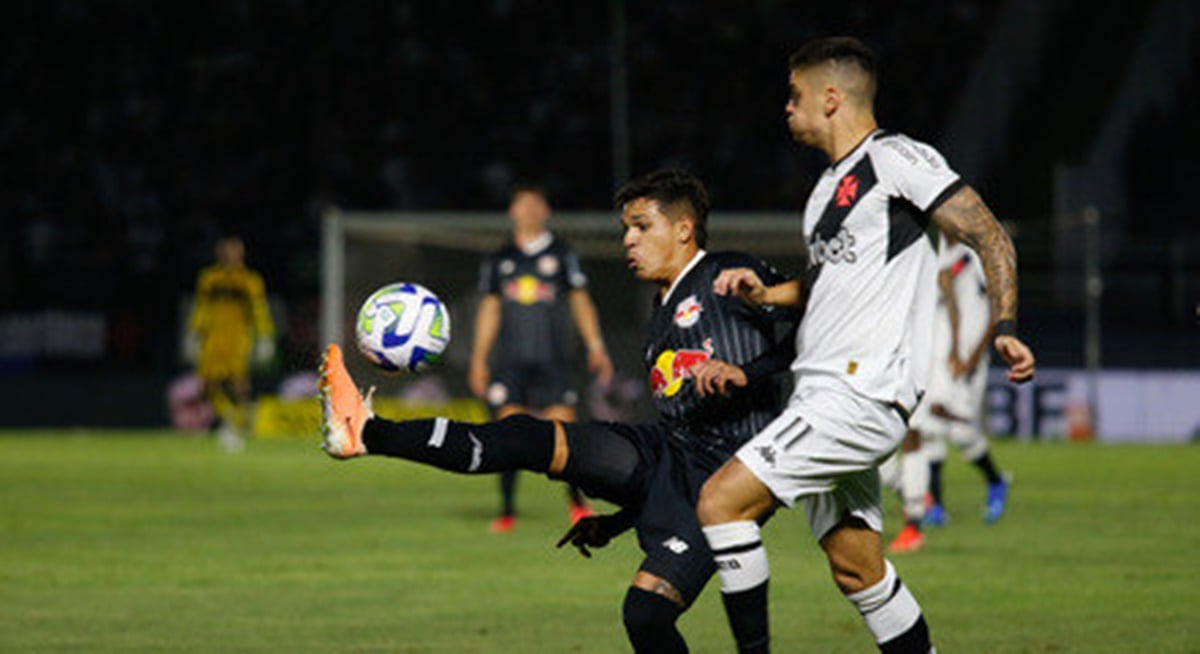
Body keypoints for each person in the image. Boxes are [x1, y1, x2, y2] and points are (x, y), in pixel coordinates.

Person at [319, 169, 797, 653]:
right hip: (665, 452)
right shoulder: (661, 314)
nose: (628, 240)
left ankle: (365, 432)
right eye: (625, 228)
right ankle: (367, 432)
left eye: (641, 227)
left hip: (725, 476)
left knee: (646, 615)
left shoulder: (728, 273)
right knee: (524, 436)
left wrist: (752, 372)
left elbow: (821, 320)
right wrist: (615, 521)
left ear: (683, 228)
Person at [692, 37, 1036, 653]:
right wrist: (768, 295)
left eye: (794, 96)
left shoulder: (895, 158)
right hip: (822, 391)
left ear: (831, 98)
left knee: (720, 503)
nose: (786, 109)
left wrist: (1005, 327)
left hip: (858, 392)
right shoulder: (826, 191)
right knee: (859, 571)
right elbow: (829, 289)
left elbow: (989, 233)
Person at [468, 182, 614, 532]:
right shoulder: (500, 259)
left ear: (546, 211)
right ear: (512, 211)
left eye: (536, 203)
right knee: (508, 435)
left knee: (562, 433)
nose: (530, 210)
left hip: (554, 359)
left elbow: (580, 301)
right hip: (510, 361)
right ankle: (506, 511)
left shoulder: (563, 254)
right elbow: (489, 309)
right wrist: (479, 358)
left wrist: (595, 345)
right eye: (523, 204)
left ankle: (578, 505)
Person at [885, 231, 1013, 553]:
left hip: (962, 355)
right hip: (934, 349)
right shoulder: (933, 250)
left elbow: (992, 305)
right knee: (929, 425)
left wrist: (968, 352)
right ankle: (931, 505)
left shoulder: (978, 254)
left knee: (948, 424)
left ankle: (993, 481)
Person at [185, 236, 275, 451]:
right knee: (207, 383)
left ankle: (238, 423)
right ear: (220, 254)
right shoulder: (210, 278)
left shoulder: (250, 281)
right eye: (229, 252)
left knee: (239, 383)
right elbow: (201, 307)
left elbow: (259, 309)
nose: (233, 256)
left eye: (236, 252)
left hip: (238, 337)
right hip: (213, 337)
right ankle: (222, 419)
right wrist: (193, 333)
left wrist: (264, 336)